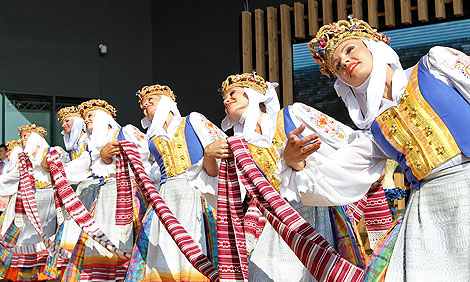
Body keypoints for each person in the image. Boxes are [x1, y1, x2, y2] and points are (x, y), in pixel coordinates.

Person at [309, 17, 470, 281]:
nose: (345, 62)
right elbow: (330, 178)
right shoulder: (374, 132)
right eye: (337, 65)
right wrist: (294, 162)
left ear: (372, 46)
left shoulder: (435, 65)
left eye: (349, 49)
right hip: (430, 209)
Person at [219, 73, 383, 281]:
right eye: (224, 99)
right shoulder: (241, 146)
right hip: (274, 224)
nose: (226, 100)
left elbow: (345, 138)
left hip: (313, 212)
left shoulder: (293, 114)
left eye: (232, 93)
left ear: (254, 94)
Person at [125, 84, 226, 282]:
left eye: (150, 101)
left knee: (196, 245)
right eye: (143, 105)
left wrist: (209, 157)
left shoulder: (192, 120)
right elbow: (146, 170)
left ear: (165, 101)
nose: (145, 106)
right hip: (166, 197)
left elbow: (218, 151)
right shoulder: (151, 140)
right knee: (164, 248)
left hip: (195, 192)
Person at [61, 99, 149, 281]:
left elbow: (146, 153)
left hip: (129, 192)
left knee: (127, 238)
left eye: (90, 115)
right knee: (102, 240)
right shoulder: (93, 148)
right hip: (105, 196)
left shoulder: (126, 131)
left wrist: (114, 155)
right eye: (85, 118)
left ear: (102, 116)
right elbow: (77, 169)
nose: (86, 120)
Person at [0, 144, 10, 212]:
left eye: (1, 151)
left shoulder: (10, 164)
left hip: (6, 193)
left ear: (6, 152)